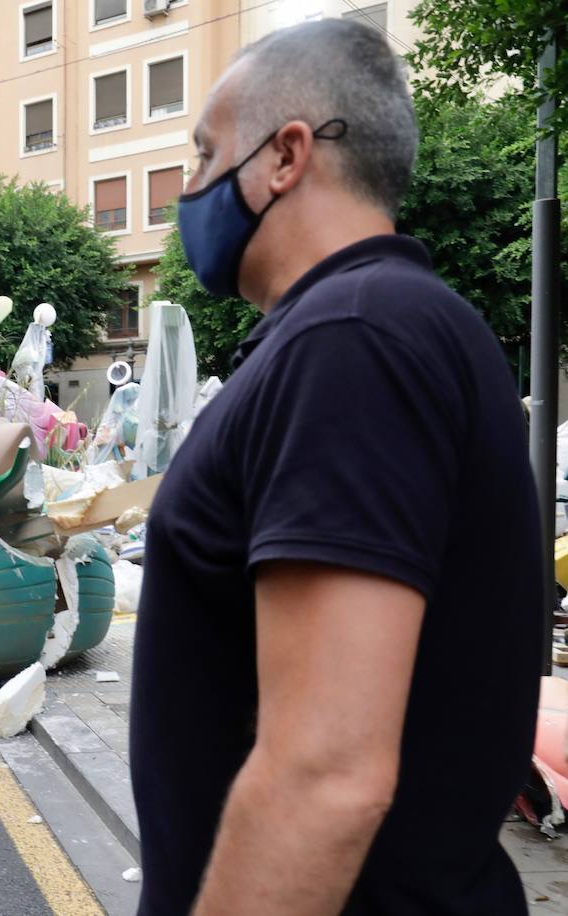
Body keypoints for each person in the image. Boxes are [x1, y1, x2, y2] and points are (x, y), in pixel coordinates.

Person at [130, 19, 542, 916]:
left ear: (285, 157)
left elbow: (325, 775)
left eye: (203, 154)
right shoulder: (376, 326)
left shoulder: (353, 339)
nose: (187, 191)